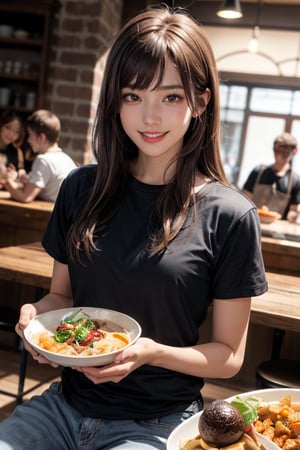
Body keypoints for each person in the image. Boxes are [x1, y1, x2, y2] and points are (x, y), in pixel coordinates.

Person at [0, 6, 267, 450]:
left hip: (156, 422)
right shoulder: (81, 188)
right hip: (62, 408)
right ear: (114, 101)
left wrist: (151, 353)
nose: (149, 118)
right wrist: (37, 317)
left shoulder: (231, 214)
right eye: (132, 96)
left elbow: (229, 356)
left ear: (201, 101)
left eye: (171, 97)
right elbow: (61, 297)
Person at [1, 109, 77, 202]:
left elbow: (26, 197)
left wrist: (7, 181)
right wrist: (29, 180)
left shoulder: (43, 160)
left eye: (30, 135)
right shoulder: (66, 158)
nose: (28, 140)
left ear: (42, 137)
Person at [242, 133, 300, 219]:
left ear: (294, 152)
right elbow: (244, 200)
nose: (280, 156)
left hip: (276, 229)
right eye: (277, 151)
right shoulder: (258, 172)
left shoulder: (295, 180)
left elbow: (292, 212)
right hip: (251, 222)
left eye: (285, 153)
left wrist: (295, 215)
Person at [0, 110, 25, 186]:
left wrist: (15, 176)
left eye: (17, 131)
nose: (11, 134)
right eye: (8, 127)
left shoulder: (17, 152)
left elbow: (20, 181)